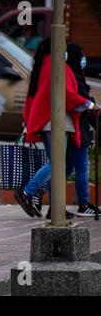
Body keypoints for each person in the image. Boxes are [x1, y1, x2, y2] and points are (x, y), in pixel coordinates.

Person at [15, 38, 99, 219]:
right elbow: (69, 95)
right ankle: (27, 192)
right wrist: (90, 106)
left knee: (61, 165)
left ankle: (55, 206)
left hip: (47, 121)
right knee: (58, 164)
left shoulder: (45, 66)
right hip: (56, 122)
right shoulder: (57, 67)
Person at [64, 43, 100, 217]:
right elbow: (80, 101)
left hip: (72, 128)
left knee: (67, 167)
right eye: (81, 56)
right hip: (77, 128)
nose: (83, 59)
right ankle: (84, 205)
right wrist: (92, 105)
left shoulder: (71, 73)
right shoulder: (74, 76)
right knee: (82, 167)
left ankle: (38, 193)